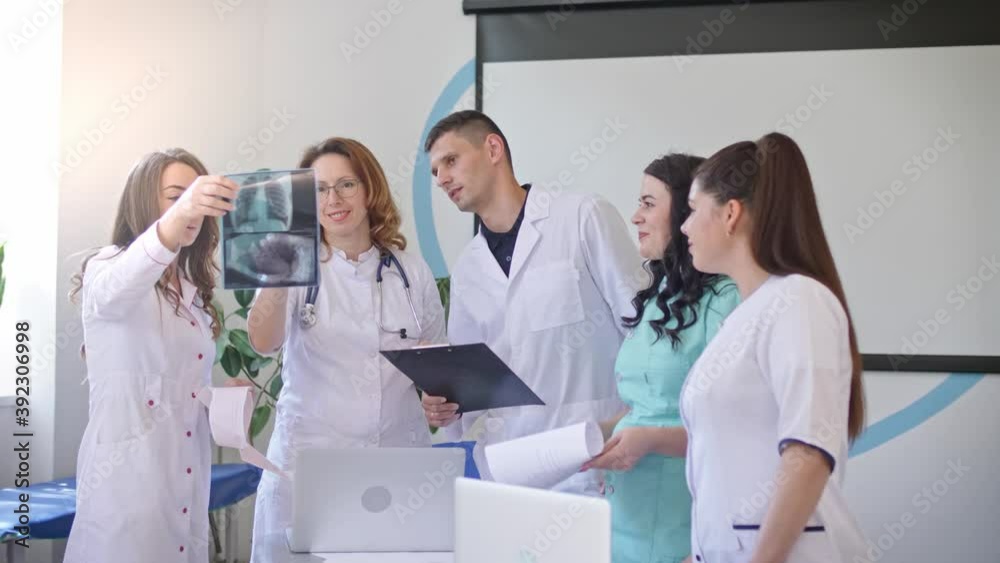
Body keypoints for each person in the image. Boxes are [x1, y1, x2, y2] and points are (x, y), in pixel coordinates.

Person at [421, 110, 642, 495]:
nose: (441, 179)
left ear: (493, 149)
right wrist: (444, 403)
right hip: (508, 469)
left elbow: (642, 328)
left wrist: (643, 424)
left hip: (592, 460)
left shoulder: (582, 217)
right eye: (435, 172)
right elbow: (469, 383)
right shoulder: (468, 269)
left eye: (450, 161)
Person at [247, 137, 446, 559]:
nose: (333, 199)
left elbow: (436, 360)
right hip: (310, 466)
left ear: (369, 189)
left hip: (396, 463)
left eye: (346, 185)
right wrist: (278, 274)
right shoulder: (293, 262)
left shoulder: (411, 271)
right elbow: (263, 342)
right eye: (319, 189)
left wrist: (439, 395)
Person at [679, 132, 868, 562]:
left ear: (730, 213)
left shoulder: (798, 300)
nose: (684, 227)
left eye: (692, 209)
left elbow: (808, 453)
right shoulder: (744, 316)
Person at [65, 149, 241, 562]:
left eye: (196, 198)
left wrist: (221, 402)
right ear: (144, 200)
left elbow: (177, 395)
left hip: (185, 488)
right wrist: (179, 216)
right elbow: (118, 289)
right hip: (126, 497)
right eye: (177, 197)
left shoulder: (192, 296)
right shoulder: (108, 267)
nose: (191, 210)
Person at [581, 154, 740, 563]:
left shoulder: (726, 300)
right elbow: (645, 405)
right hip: (621, 521)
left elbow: (732, 431)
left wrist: (650, 439)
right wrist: (593, 435)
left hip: (676, 526)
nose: (636, 216)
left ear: (688, 213)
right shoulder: (658, 296)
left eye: (649, 204)